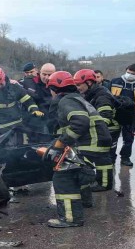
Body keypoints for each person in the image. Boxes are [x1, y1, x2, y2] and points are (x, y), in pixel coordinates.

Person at [46, 71, 112, 228]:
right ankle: (85, 200)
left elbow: (80, 122)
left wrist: (61, 142)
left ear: (55, 89)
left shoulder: (65, 101)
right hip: (94, 141)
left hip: (89, 143)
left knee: (64, 175)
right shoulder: (77, 98)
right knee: (76, 170)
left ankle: (70, 218)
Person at [73, 69, 118, 191]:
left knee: (102, 156)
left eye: (79, 85)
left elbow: (105, 117)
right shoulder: (92, 93)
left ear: (88, 83)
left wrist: (90, 129)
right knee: (101, 156)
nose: (77, 88)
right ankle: (103, 183)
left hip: (108, 129)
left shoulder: (102, 95)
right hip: (102, 130)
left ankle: (104, 184)